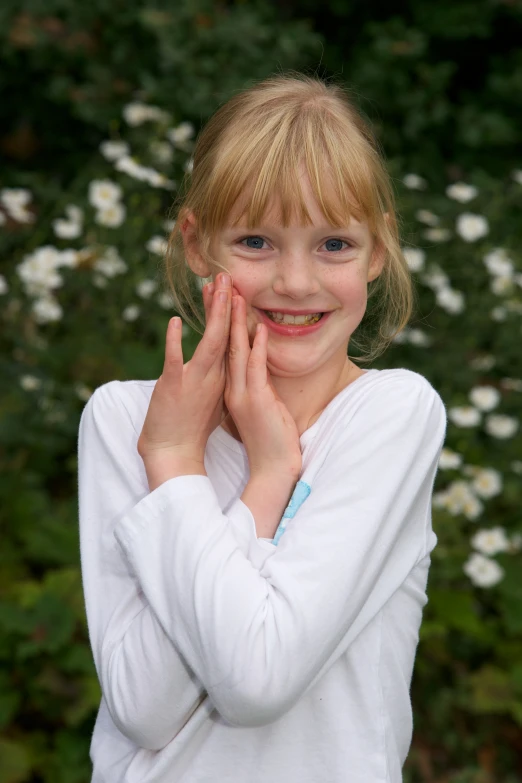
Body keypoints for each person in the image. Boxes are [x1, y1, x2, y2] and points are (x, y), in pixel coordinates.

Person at [78, 72, 447, 783]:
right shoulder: (125, 421)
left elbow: (257, 679)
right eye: (255, 240)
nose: (296, 281)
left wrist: (188, 478)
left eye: (334, 244)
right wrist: (210, 467)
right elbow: (146, 710)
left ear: (377, 252)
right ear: (197, 244)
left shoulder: (392, 416)